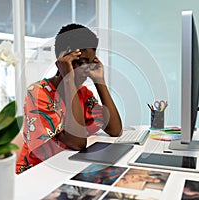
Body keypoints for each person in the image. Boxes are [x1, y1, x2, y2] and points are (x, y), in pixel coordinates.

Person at [16, 24, 122, 174]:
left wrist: (100, 81)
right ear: (62, 59)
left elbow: (115, 129)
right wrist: (68, 79)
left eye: (90, 63)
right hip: (38, 171)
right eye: (80, 62)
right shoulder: (38, 92)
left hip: (68, 166)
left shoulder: (83, 93)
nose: (85, 69)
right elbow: (77, 143)